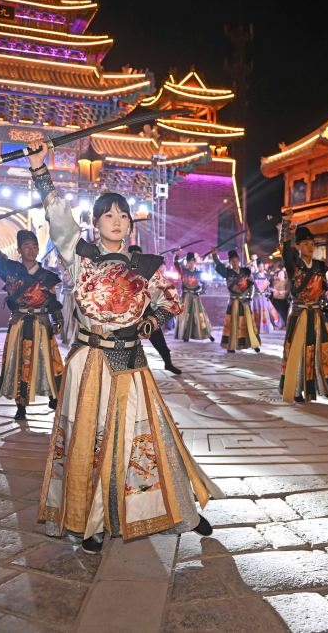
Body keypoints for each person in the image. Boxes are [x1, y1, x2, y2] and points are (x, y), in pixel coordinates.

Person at [28, 147, 220, 554]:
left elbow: (169, 302)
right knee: (90, 440)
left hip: (131, 362)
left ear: (130, 224)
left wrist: (149, 323)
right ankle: (91, 522)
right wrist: (39, 168)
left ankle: (176, 510)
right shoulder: (80, 257)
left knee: (144, 437)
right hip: (89, 362)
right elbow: (58, 216)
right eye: (108, 215)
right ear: (95, 223)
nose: (117, 221)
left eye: (123, 216)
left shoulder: (144, 265)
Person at [0, 225, 64, 419]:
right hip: (19, 324)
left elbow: (52, 301)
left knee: (49, 362)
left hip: (42, 324)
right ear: (19, 249)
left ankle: (54, 397)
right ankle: (21, 405)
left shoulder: (47, 276)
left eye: (34, 246)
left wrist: (58, 319)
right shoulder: (9, 270)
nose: (31, 249)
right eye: (26, 246)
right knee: (21, 363)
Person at [278, 217, 328, 403]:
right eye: (305, 243)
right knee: (298, 351)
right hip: (299, 314)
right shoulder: (294, 266)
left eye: (312, 243)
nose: (310, 247)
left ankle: (324, 387)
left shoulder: (320, 267)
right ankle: (296, 389)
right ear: (298, 246)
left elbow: (321, 291)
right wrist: (287, 228)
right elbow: (285, 250)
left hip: (316, 314)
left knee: (320, 350)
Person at [129, 244, 182, 375]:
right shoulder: (122, 272)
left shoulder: (150, 273)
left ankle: (168, 363)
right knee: (129, 345)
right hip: (128, 315)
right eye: (134, 255)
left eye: (139, 255)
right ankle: (128, 369)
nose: (137, 258)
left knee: (160, 343)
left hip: (147, 314)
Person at [211, 249, 261, 353]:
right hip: (233, 302)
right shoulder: (228, 272)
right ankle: (231, 345)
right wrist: (215, 255)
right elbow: (219, 265)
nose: (234, 262)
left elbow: (252, 285)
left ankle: (254, 343)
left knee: (248, 323)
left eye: (236, 260)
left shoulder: (245, 271)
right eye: (232, 261)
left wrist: (250, 297)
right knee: (232, 324)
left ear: (239, 260)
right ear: (230, 262)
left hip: (244, 301)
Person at [173, 250, 215, 343]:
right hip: (185, 297)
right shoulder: (183, 271)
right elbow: (175, 264)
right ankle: (185, 335)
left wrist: (200, 292)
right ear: (187, 262)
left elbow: (205, 284)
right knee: (185, 316)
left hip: (195, 297)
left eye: (192, 261)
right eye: (189, 262)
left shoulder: (199, 273)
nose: (190, 263)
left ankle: (207, 334)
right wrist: (176, 255)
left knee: (200, 315)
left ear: (194, 262)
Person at [250, 260, 282, 333]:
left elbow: (268, 288)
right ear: (258, 267)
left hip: (263, 297)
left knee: (265, 312)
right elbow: (252, 286)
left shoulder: (267, 276)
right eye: (260, 266)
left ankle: (265, 328)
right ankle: (256, 327)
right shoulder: (254, 275)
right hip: (256, 297)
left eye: (262, 266)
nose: (261, 268)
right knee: (256, 312)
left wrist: (272, 291)